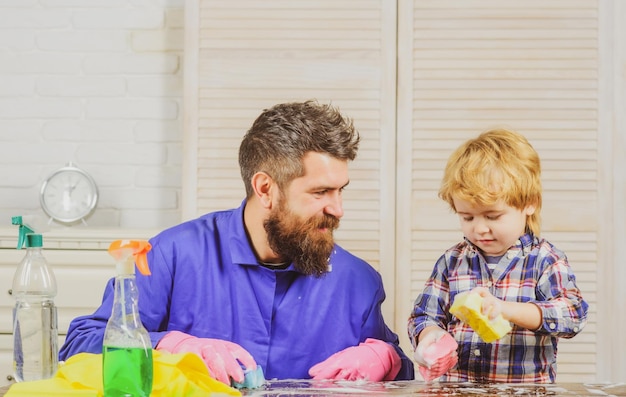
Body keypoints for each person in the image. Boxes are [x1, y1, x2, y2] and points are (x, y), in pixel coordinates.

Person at [59, 100, 415, 384]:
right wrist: (170, 345)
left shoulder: (359, 281)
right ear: (265, 189)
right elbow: (79, 347)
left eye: (340, 191)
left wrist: (389, 359)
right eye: (320, 192)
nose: (337, 209)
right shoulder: (171, 256)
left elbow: (397, 373)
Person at [407, 128, 588, 383]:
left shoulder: (545, 260)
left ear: (530, 203)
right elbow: (424, 315)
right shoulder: (452, 261)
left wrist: (506, 310)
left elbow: (572, 315)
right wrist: (430, 336)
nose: (479, 228)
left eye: (493, 216)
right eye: (467, 217)